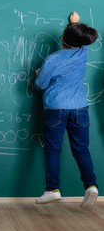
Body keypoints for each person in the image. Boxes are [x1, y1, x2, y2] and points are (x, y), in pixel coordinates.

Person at [34, 12, 99, 210]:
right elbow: (81, 37)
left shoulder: (52, 60)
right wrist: (75, 23)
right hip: (80, 108)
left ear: (63, 39)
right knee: (81, 150)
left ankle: (52, 190)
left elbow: (39, 84)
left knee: (53, 150)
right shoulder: (83, 52)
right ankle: (91, 186)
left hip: (56, 109)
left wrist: (38, 73)